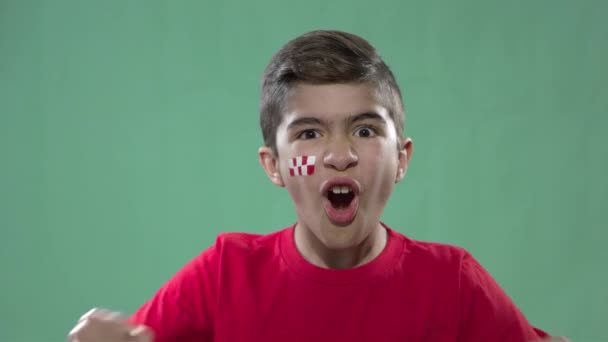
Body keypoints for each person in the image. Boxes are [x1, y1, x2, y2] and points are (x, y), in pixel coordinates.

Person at [68, 30, 568, 342]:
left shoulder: (455, 284)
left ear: (401, 158)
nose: (339, 154)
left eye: (366, 130)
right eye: (309, 133)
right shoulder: (225, 276)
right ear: (275, 165)